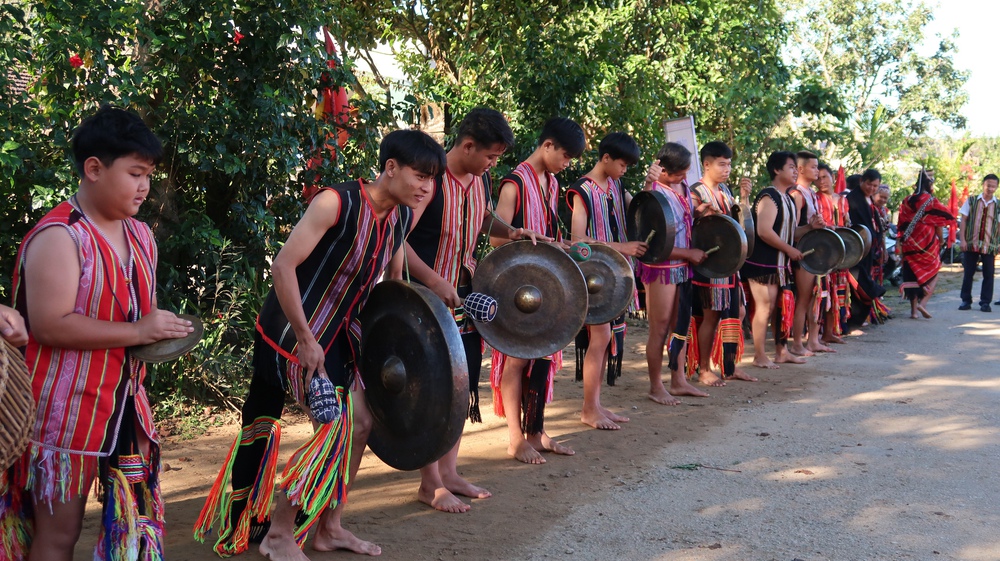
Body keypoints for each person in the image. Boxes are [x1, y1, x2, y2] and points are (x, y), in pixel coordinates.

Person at [194, 129, 445, 559]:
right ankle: (278, 533)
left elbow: (395, 285)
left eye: (432, 179)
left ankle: (329, 527)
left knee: (360, 424)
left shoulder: (401, 217)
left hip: (340, 335)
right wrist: (308, 341)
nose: (427, 187)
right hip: (293, 331)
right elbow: (283, 267)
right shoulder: (336, 202)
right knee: (333, 428)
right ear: (390, 168)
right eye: (421, 176)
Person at [0, 107, 194, 561]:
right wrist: (138, 328)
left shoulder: (142, 235)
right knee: (58, 534)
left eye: (148, 175)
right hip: (63, 409)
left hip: (125, 403)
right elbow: (49, 324)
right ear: (93, 169)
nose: (145, 186)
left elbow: (134, 317)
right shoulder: (59, 237)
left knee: (133, 524)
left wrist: (159, 329)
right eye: (135, 173)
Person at [400, 108, 551, 495]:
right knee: (434, 387)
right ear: (467, 145)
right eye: (490, 156)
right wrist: (434, 281)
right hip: (426, 299)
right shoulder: (429, 182)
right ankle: (429, 483)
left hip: (465, 296)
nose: (493, 164)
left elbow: (481, 218)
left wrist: (513, 230)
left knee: (460, 382)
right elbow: (397, 242)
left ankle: (449, 473)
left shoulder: (477, 180)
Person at [490, 117, 592, 445]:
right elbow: (495, 239)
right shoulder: (514, 184)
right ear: (547, 145)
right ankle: (515, 438)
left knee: (543, 357)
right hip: (517, 285)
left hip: (546, 282)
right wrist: (540, 242)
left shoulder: (550, 183)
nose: (566, 164)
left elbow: (547, 235)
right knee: (518, 358)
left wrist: (561, 245)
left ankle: (536, 430)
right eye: (564, 156)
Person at [567, 132, 647, 431]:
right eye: (622, 164)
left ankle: (597, 404)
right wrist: (622, 248)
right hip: (593, 278)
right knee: (599, 339)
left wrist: (651, 184)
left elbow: (639, 209)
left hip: (615, 278)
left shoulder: (616, 185)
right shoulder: (582, 191)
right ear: (606, 158)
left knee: (607, 339)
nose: (624, 170)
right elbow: (578, 243)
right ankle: (588, 408)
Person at [636, 142, 709, 405]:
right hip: (661, 269)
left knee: (680, 326)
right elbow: (653, 242)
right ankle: (656, 386)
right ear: (663, 171)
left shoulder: (682, 188)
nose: (684, 178)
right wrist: (688, 254)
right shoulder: (653, 193)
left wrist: (699, 213)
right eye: (679, 174)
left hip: (682, 268)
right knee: (660, 327)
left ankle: (678, 381)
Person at [688, 141, 756, 384]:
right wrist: (698, 213)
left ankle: (730, 365)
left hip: (729, 264)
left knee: (736, 312)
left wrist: (745, 198)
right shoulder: (694, 192)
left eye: (729, 164)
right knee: (711, 316)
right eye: (722, 164)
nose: (727, 169)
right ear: (707, 165)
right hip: (710, 264)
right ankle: (704, 368)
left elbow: (740, 226)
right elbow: (690, 228)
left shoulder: (726, 191)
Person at [739, 151, 806, 369]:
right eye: (791, 167)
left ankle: (781, 352)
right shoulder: (769, 196)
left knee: (779, 308)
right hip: (763, 263)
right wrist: (790, 250)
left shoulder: (787, 198)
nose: (795, 171)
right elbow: (764, 231)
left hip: (779, 264)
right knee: (764, 308)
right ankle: (759, 355)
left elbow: (790, 233)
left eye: (796, 167)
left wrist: (811, 228)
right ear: (777, 170)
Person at [788, 151, 830, 355]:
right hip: (802, 254)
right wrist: (812, 227)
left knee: (816, 298)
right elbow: (791, 231)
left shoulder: (811, 193)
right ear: (801, 169)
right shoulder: (796, 194)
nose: (817, 170)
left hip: (815, 254)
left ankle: (813, 340)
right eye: (813, 167)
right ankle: (797, 343)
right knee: (803, 300)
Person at [898, 169, 954, 319]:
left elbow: (901, 222)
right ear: (929, 184)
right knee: (935, 270)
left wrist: (900, 241)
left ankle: (914, 312)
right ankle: (924, 303)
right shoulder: (931, 201)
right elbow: (939, 222)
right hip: (927, 243)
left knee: (912, 274)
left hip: (909, 243)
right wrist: (941, 240)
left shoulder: (907, 200)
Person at [814, 162, 852, 344]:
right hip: (823, 252)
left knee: (837, 292)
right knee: (822, 293)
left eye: (825, 177)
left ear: (833, 177)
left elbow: (848, 223)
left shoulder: (843, 200)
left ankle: (830, 332)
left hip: (842, 252)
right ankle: (815, 334)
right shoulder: (815, 199)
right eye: (818, 178)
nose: (821, 181)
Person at [846, 168, 886, 327]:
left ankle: (860, 318)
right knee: (858, 284)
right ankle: (853, 320)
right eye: (869, 184)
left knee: (864, 281)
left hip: (870, 249)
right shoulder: (852, 199)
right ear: (862, 181)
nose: (872, 188)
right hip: (857, 248)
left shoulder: (869, 199)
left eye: (875, 186)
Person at [957, 174, 1000, 312]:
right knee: (968, 272)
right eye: (988, 185)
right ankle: (965, 300)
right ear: (983, 184)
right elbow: (963, 220)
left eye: (993, 186)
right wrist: (962, 239)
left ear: (997, 187)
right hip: (971, 242)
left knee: (988, 274)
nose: (990, 189)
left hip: (990, 244)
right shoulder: (971, 200)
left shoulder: (998, 205)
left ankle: (985, 302)